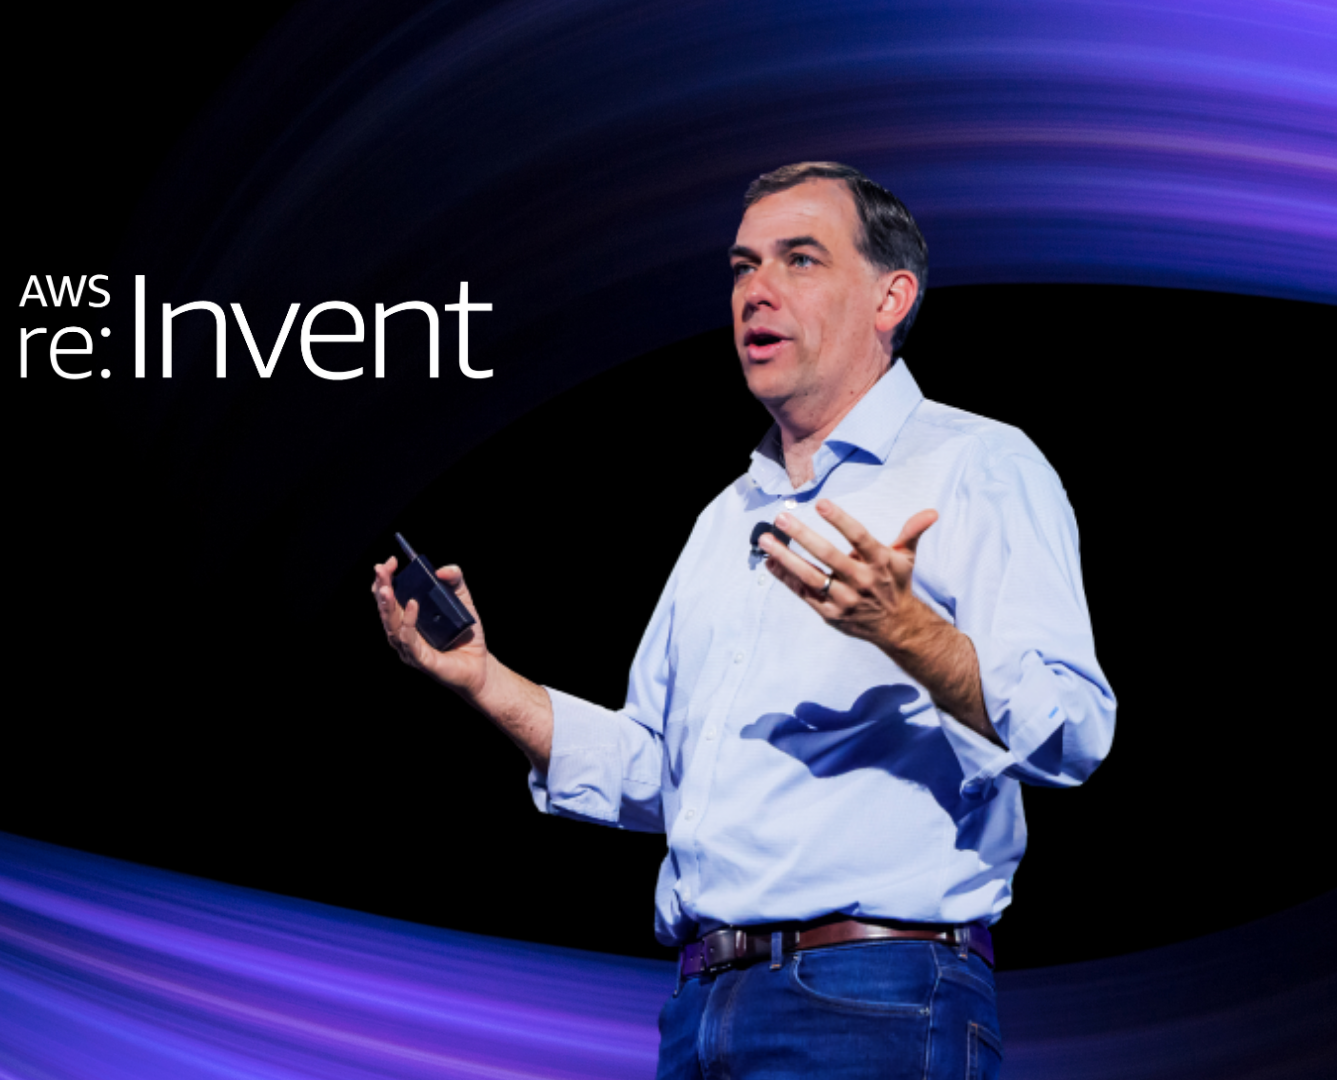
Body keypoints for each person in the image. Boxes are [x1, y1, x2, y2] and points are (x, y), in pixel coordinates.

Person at [372, 162, 1115, 1078]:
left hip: (875, 999)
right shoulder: (724, 521)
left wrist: (906, 631)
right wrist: (485, 680)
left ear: (891, 298)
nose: (756, 290)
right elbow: (661, 774)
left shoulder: (979, 465)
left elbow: (1073, 730)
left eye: (800, 259)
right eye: (741, 266)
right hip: (701, 1011)